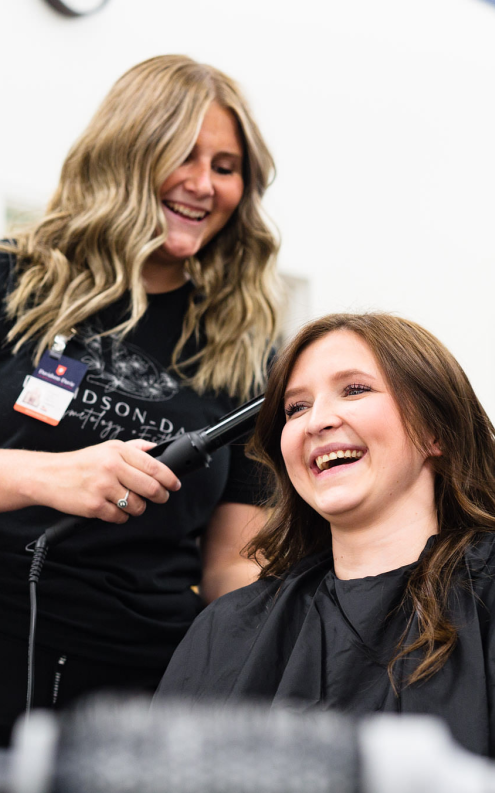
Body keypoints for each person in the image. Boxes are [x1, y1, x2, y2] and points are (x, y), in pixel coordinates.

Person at [0, 54, 279, 745]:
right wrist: (46, 476)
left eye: (225, 166)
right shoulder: (13, 283)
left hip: (141, 696)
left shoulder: (246, 355)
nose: (202, 185)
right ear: (126, 152)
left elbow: (229, 567)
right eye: (181, 154)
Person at [156, 313, 495, 765]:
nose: (317, 421)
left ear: (435, 430)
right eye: (296, 408)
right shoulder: (224, 631)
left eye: (355, 389)